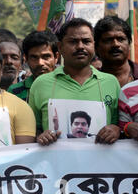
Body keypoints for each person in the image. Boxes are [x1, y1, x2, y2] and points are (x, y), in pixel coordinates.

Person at [29, 18, 121, 146]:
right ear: (60, 47)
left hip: (101, 164)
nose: (80, 46)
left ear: (93, 45)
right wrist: (40, 136)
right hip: (55, 164)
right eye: (73, 42)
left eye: (86, 41)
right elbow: (33, 129)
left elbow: (119, 125)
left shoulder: (111, 82)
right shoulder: (41, 84)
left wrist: (116, 130)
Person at [8, 30, 59, 101]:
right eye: (34, 57)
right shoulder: (14, 92)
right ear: (26, 59)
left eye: (46, 56)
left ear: (56, 57)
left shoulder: (68, 87)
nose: (40, 63)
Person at [94, 16, 138, 87]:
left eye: (120, 39)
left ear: (129, 44)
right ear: (96, 47)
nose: (115, 44)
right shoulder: (90, 82)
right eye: (108, 40)